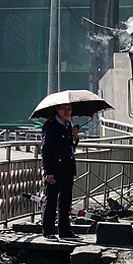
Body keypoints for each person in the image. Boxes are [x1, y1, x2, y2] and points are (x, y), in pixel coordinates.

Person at [40, 103, 80, 241]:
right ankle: (48, 231)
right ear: (57, 109)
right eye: (63, 108)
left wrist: (75, 137)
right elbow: (46, 149)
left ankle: (65, 231)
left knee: (66, 200)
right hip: (55, 168)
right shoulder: (50, 125)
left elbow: (70, 147)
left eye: (69, 108)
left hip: (68, 167)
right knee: (51, 199)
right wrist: (48, 171)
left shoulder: (68, 125)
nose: (67, 111)